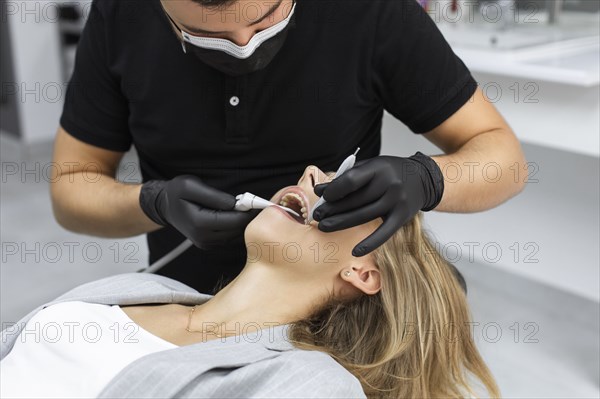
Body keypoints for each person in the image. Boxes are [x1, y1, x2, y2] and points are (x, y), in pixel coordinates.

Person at [50, 0, 527, 293]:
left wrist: (428, 179)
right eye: (206, 34)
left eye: (264, 17)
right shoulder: (119, 15)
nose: (243, 43)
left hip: (330, 301)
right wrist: (151, 203)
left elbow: (504, 158)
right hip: (185, 286)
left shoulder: (371, 11)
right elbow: (71, 191)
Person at [2, 166, 499, 398]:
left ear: (364, 272)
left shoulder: (311, 386)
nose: (311, 173)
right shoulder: (148, 290)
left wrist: (430, 176)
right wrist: (150, 201)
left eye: (353, 195)